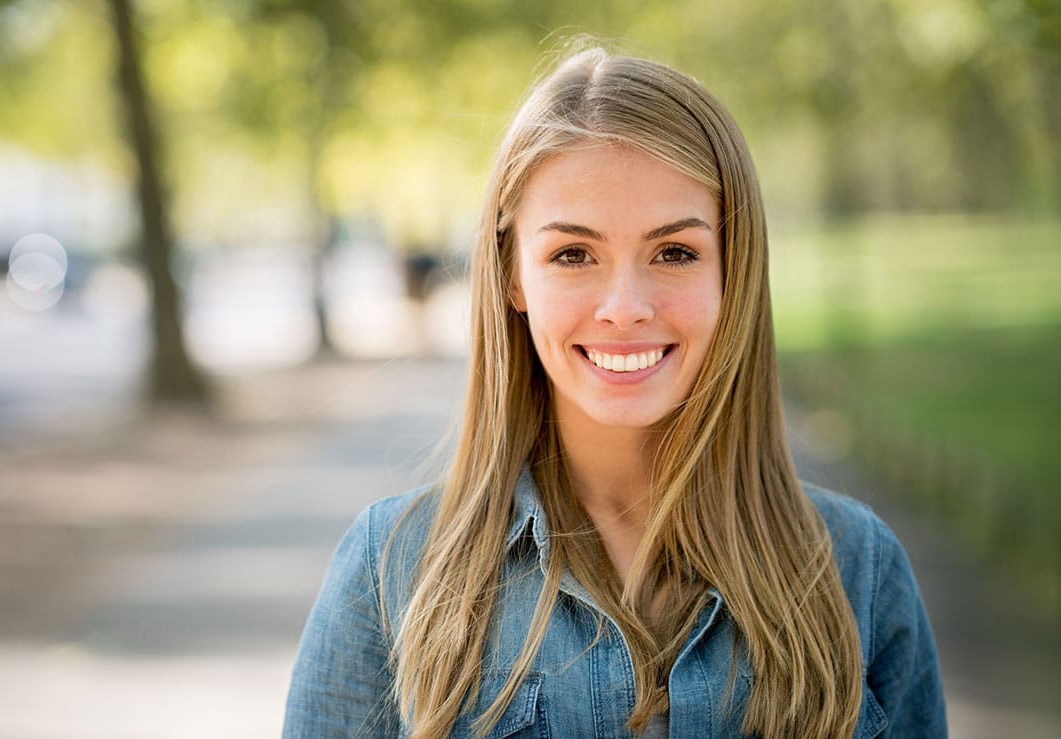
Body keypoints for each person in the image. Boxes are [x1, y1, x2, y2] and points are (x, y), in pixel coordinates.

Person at [283, 47, 946, 738]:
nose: (624, 306)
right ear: (512, 274)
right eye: (573, 254)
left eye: (675, 252)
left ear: (733, 269)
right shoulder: (390, 569)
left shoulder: (857, 569)